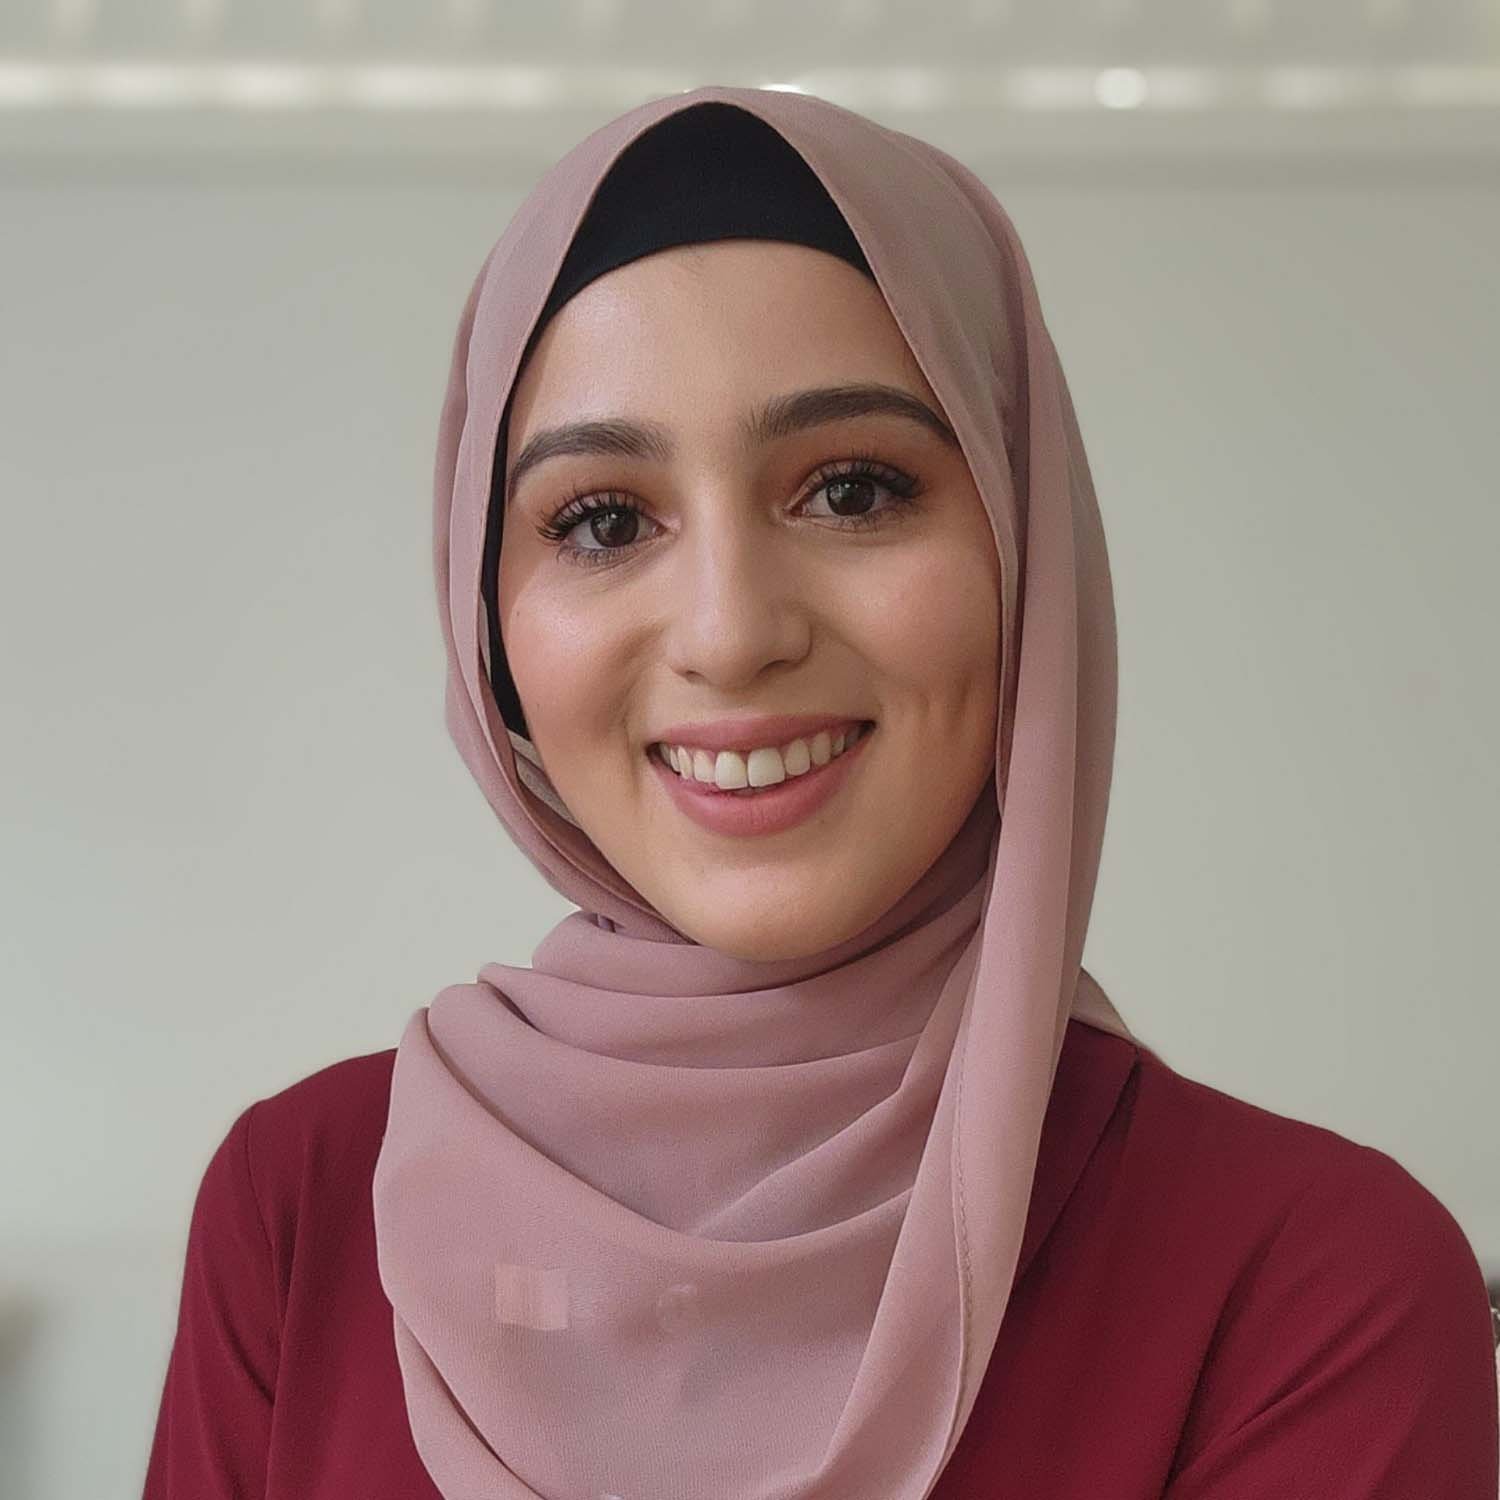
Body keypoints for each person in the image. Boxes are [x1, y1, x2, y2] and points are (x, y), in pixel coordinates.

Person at [142, 86, 1499, 1499]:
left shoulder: (1309, 1289)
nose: (733, 631)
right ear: (488, 627)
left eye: (852, 491)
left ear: (1022, 554)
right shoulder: (304, 1208)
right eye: (605, 519)